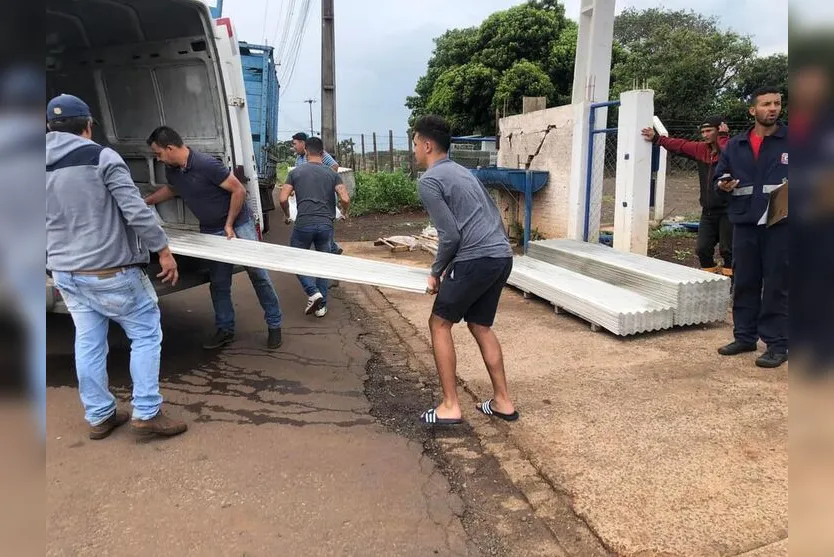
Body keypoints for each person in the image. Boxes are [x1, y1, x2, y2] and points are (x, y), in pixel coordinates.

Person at [46, 94, 187, 439]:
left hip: (65, 272)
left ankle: (99, 415)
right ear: (89, 126)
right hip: (109, 270)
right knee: (145, 332)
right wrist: (163, 250)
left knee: (89, 341)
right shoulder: (101, 157)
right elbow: (136, 210)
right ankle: (147, 411)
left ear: (49, 126)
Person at [411, 115, 517, 425]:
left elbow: (451, 235)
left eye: (416, 143)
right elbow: (488, 217)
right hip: (500, 256)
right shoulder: (462, 173)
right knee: (480, 325)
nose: (415, 148)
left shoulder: (429, 181)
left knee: (439, 324)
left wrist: (436, 270)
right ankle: (502, 402)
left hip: (477, 259)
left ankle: (450, 406)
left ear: (428, 145)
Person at [144, 126, 284, 350]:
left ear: (170, 148)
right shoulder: (173, 170)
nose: (158, 159)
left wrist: (229, 224)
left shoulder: (205, 164)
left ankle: (275, 325)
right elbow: (173, 189)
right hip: (210, 229)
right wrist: (148, 201)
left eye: (159, 154)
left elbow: (239, 191)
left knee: (258, 274)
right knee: (219, 283)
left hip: (239, 225)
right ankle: (225, 329)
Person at [714, 86, 788, 368]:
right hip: (744, 222)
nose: (773, 108)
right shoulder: (736, 144)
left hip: (781, 225)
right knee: (745, 281)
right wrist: (722, 183)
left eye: (777, 104)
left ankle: (778, 344)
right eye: (766, 104)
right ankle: (744, 336)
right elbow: (720, 176)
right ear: (752, 110)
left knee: (777, 285)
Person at [642, 116, 733, 275]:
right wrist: (657, 138)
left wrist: (723, 139)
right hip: (708, 211)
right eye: (703, 132)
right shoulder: (701, 149)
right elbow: (680, 145)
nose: (705, 135)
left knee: (728, 250)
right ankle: (710, 278)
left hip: (729, 210)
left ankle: (732, 284)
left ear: (720, 130)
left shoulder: (732, 148)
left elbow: (731, 156)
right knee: (702, 249)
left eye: (709, 131)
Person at [278, 137, 350, 318]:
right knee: (322, 265)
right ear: (322, 153)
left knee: (294, 259)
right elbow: (345, 198)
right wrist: (344, 212)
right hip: (326, 225)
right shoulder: (333, 174)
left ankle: (312, 292)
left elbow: (282, 198)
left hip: (304, 224)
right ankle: (321, 307)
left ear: (307, 152)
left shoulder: (296, 172)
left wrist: (287, 215)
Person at [291, 131, 345, 256]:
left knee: (321, 221)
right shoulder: (299, 159)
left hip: (322, 195)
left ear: (303, 144)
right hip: (307, 197)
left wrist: (320, 179)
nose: (294, 147)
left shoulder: (320, 154)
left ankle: (329, 248)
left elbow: (334, 166)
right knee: (319, 224)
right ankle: (331, 248)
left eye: (295, 144)